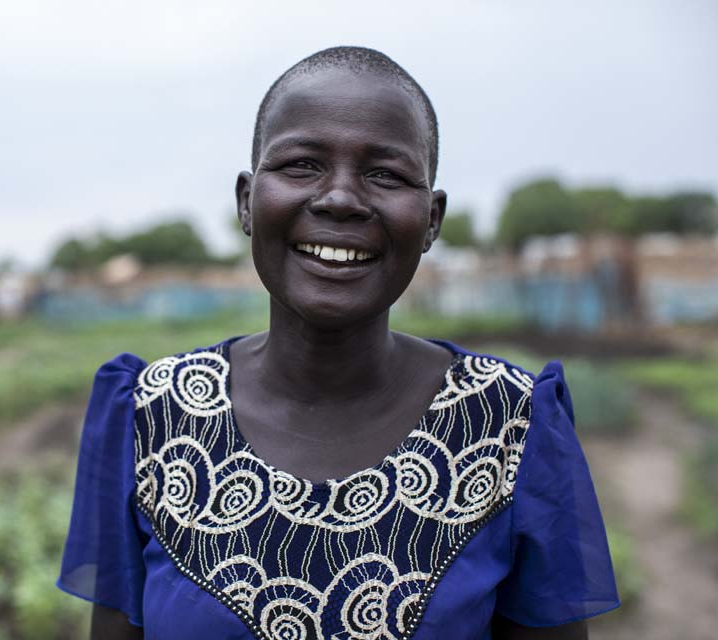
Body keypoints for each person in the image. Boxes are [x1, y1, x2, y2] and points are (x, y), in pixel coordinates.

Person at [57, 46, 620, 640]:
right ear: (247, 202)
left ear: (431, 220)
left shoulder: (511, 421)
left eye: (385, 174)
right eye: (302, 164)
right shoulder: (150, 413)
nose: (341, 198)